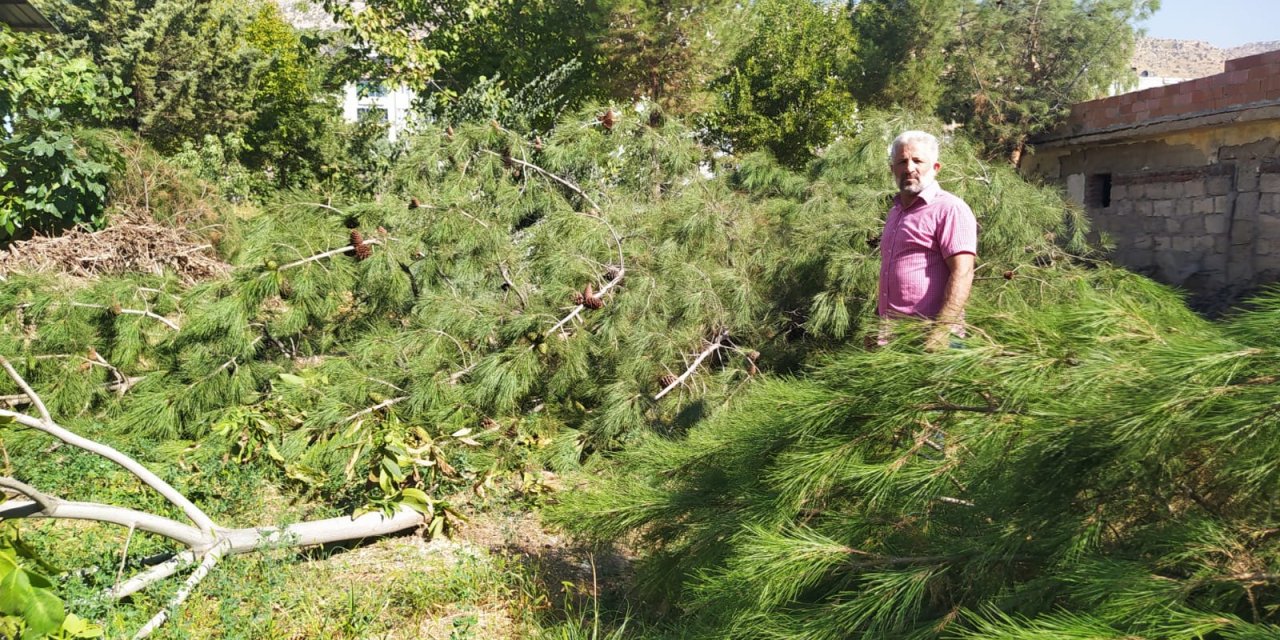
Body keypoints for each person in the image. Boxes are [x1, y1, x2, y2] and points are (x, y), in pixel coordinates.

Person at [877, 130, 977, 351]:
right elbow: (889, 274)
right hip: (895, 339)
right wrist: (876, 326)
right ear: (893, 169)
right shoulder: (895, 213)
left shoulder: (949, 209)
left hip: (935, 341)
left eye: (917, 160)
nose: (909, 168)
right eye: (902, 161)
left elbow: (963, 272)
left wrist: (941, 330)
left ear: (935, 168)